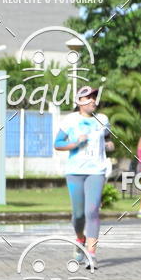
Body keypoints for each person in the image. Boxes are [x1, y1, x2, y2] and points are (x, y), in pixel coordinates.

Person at [54, 86, 114, 269]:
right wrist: (74, 143)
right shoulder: (70, 120)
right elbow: (57, 143)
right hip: (74, 172)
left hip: (97, 171)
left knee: (92, 211)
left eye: (94, 97)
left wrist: (109, 144)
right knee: (78, 215)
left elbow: (107, 139)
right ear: (79, 101)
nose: (93, 101)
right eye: (88, 98)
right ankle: (80, 239)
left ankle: (92, 254)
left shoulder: (102, 119)